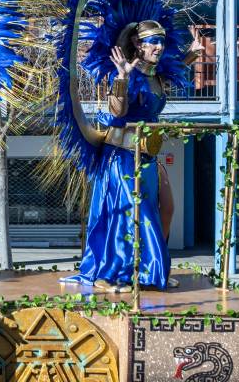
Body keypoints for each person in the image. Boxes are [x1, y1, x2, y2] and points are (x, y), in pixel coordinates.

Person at [62, 20, 200, 292]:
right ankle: (117, 273)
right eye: (153, 41)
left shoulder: (157, 76)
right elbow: (117, 113)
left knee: (168, 208)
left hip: (147, 154)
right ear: (138, 44)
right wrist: (122, 78)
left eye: (162, 41)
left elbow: (176, 74)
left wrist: (193, 52)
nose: (159, 47)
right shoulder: (126, 74)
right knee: (132, 215)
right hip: (123, 155)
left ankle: (150, 267)